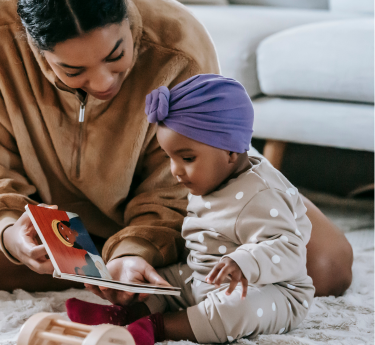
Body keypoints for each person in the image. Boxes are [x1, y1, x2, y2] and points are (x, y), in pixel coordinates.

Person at [0, 0, 352, 299]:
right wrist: (10, 233)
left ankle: (142, 268)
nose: (102, 82)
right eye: (73, 71)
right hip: (53, 213)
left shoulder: (178, 40)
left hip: (180, 212)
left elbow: (180, 184)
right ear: (34, 45)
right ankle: (147, 277)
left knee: (325, 265)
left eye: (116, 56)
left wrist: (136, 247)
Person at [65, 74, 315, 344]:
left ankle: (158, 327)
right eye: (169, 157)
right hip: (203, 275)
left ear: (231, 151)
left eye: (186, 158)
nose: (175, 171)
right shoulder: (211, 176)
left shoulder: (263, 194)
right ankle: (127, 313)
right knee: (158, 281)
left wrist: (244, 261)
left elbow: (289, 248)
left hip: (269, 289)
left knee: (234, 309)